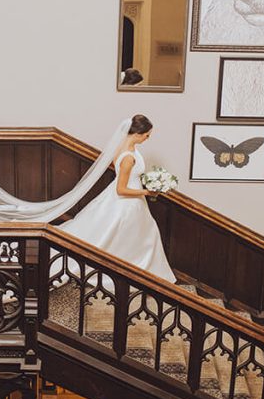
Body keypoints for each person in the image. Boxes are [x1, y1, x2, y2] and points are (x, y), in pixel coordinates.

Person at [57, 115, 176, 283]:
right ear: (137, 133)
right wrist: (148, 193)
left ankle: (139, 271)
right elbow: (121, 190)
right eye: (146, 135)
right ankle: (140, 273)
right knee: (141, 236)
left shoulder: (123, 148)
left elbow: (125, 178)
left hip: (127, 199)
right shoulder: (128, 157)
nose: (148, 138)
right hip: (127, 204)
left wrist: (148, 182)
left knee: (131, 236)